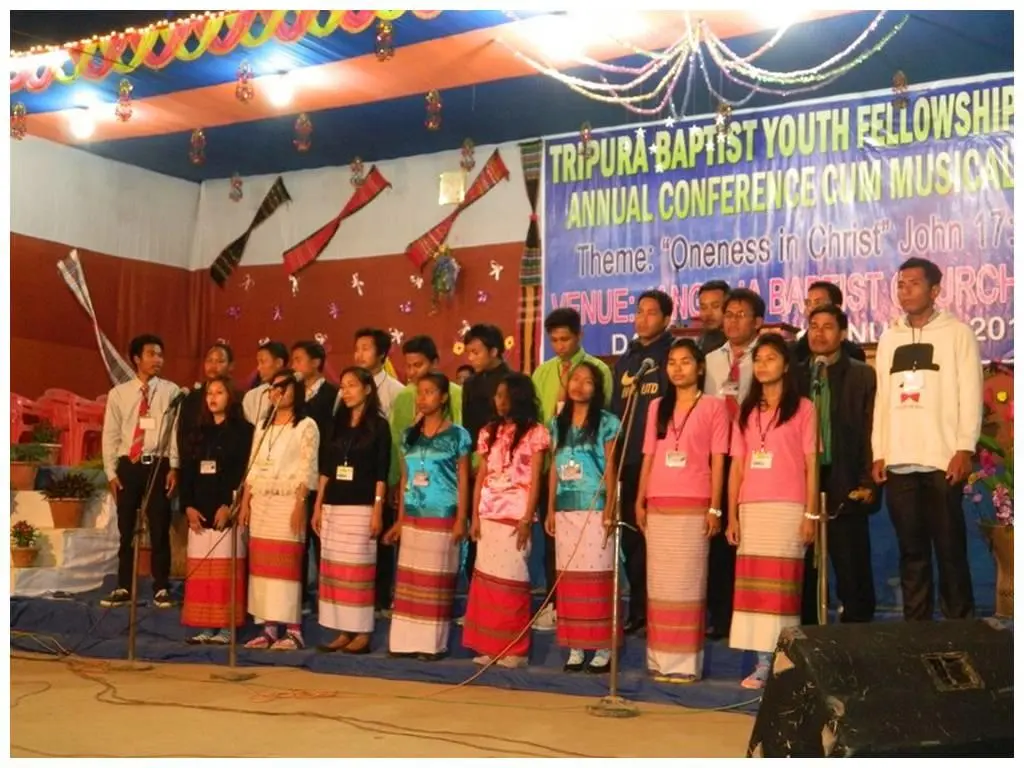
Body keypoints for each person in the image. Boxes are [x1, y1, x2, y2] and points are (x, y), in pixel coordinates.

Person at [872, 257, 981, 621]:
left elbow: (970, 393)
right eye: (901, 285)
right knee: (911, 552)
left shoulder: (958, 334)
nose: (905, 291)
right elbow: (882, 399)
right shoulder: (889, 338)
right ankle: (916, 631)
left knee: (950, 550)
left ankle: (959, 627)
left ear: (935, 291)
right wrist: (879, 452)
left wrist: (964, 448)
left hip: (942, 458)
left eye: (914, 284)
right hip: (899, 460)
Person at [726, 333, 817, 690]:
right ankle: (763, 662)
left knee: (781, 588)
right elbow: (737, 466)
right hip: (752, 507)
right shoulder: (747, 411)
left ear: (786, 364)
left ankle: (783, 661)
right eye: (758, 359)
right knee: (755, 589)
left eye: (771, 358)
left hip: (788, 507)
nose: (763, 365)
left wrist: (810, 514)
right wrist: (732, 514)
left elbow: (811, 464)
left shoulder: (803, 408)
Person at [636, 339, 729, 682]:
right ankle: (659, 661)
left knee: (688, 585)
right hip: (659, 503)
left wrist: (715, 507)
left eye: (685, 361)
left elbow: (718, 460)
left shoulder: (714, 407)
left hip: (694, 503)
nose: (677, 368)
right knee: (660, 586)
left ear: (700, 367)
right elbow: (649, 455)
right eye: (672, 362)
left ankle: (685, 665)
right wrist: (640, 499)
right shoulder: (657, 407)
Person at [530, 307, 612, 632]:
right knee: (554, 545)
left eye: (565, 339)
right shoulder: (542, 373)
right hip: (554, 469)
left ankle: (594, 616)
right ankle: (556, 605)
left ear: (580, 336)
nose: (560, 346)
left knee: (592, 553)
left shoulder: (598, 369)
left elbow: (603, 416)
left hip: (590, 477)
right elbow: (538, 421)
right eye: (554, 340)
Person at [797, 305, 878, 625]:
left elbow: (871, 430)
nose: (819, 333)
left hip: (845, 477)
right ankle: (808, 630)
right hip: (803, 479)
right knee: (806, 563)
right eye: (813, 326)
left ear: (843, 333)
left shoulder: (861, 375)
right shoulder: (796, 374)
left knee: (851, 560)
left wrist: (868, 481)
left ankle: (857, 629)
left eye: (827, 327)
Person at [463, 372, 550, 668]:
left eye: (505, 395)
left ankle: (515, 650)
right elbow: (481, 477)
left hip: (516, 515)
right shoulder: (488, 431)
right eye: (497, 396)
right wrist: (475, 516)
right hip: (488, 514)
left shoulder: (535, 432)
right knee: (487, 582)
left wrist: (527, 517)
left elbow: (536, 479)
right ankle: (490, 646)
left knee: (512, 582)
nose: (499, 401)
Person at [384, 372, 472, 660]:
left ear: (444, 397)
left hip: (442, 514)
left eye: (429, 392)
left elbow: (463, 478)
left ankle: (432, 644)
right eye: (419, 393)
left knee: (434, 582)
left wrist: (461, 518)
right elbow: (406, 479)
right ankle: (404, 642)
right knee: (410, 579)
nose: (422, 398)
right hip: (413, 515)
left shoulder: (457, 435)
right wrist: (400, 519)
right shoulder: (409, 436)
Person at [547, 361, 621, 673]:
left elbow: (611, 467)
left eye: (587, 380)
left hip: (595, 506)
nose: (579, 385)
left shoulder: (607, 422)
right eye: (575, 379)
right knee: (570, 579)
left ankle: (602, 646)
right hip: (565, 508)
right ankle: (576, 646)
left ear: (598, 388)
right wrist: (550, 508)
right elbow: (554, 467)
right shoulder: (557, 423)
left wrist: (610, 507)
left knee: (597, 577)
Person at [383, 335, 464, 617]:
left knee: (438, 565)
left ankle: (438, 614)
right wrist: (395, 481)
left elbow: (460, 449)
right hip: (413, 494)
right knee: (412, 563)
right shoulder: (405, 397)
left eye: (418, 365)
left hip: (444, 495)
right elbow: (399, 444)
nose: (412, 372)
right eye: (408, 366)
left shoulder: (456, 394)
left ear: (435, 363)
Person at [239, 369, 319, 650]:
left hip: (288, 501)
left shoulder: (306, 425)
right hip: (262, 500)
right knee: (262, 567)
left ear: (297, 390)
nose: (278, 391)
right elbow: (253, 464)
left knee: (286, 566)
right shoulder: (263, 425)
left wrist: (300, 504)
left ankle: (294, 630)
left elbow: (307, 468)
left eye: (284, 386)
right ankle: (269, 629)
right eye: (273, 387)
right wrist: (245, 503)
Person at [313, 367, 391, 654]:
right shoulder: (337, 423)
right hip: (334, 504)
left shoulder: (379, 426)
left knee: (357, 571)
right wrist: (318, 505)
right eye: (343, 386)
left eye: (352, 385)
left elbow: (381, 472)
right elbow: (326, 468)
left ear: (367, 389)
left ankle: (362, 631)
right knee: (336, 571)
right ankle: (344, 630)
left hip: (361, 506)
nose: (345, 392)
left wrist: (378, 508)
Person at [99, 334, 180, 609]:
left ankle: (161, 587)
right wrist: (111, 473)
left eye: (160, 355)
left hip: (158, 464)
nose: (158, 360)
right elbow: (110, 434)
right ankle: (124, 586)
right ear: (136, 358)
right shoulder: (119, 394)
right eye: (151, 354)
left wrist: (174, 467)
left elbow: (175, 433)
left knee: (159, 527)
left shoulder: (171, 391)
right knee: (126, 528)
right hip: (129, 465)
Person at [702, 287, 765, 640]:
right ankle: (721, 615)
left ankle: (753, 614)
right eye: (728, 315)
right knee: (719, 541)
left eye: (741, 315)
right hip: (717, 457)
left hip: (756, 458)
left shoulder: (767, 357)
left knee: (751, 537)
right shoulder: (711, 360)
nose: (732, 321)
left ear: (758, 322)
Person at [612, 289, 673, 635]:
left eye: (651, 312)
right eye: (639, 312)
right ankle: (637, 610)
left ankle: (659, 611)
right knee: (631, 541)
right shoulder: (628, 359)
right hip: (627, 461)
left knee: (657, 542)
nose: (643, 318)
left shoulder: (671, 356)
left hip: (659, 463)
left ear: (666, 319)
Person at [180, 377, 254, 644]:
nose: (213, 397)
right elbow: (187, 470)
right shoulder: (197, 430)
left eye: (219, 392)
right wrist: (187, 506)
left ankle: (225, 628)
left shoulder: (244, 432)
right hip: (199, 510)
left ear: (230, 397)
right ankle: (206, 626)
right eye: (209, 393)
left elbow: (243, 473)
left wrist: (230, 505)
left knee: (224, 574)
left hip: (227, 510)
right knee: (203, 574)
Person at [460, 323, 511, 589]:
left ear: (494, 351)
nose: (471, 358)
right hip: (476, 465)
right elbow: (468, 427)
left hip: (505, 468)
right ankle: (476, 591)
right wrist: (471, 461)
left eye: (476, 352)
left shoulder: (512, 381)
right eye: (469, 352)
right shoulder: (470, 384)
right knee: (475, 529)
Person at [291, 339, 340, 611]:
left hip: (323, 473)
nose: (294, 365)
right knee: (298, 536)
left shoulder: (333, 394)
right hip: (297, 475)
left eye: (298, 359)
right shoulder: (294, 394)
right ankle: (298, 596)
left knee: (321, 536)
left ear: (316, 362)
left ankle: (325, 595)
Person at [177, 342, 237, 467]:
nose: (213, 365)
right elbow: (182, 434)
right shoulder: (191, 398)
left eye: (220, 361)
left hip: (226, 466)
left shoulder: (238, 398)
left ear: (231, 366)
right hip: (193, 466)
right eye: (209, 360)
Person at [792, 281, 866, 365]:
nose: (811, 308)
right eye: (808, 303)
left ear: (836, 307)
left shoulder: (853, 353)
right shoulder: (794, 352)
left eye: (817, 303)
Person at [354, 327, 405, 417]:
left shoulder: (397, 391)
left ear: (382, 353)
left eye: (365, 349)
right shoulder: (347, 388)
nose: (359, 355)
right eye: (357, 349)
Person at [243, 341, 288, 426]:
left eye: (263, 362)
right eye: (258, 362)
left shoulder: (292, 393)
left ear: (279, 363)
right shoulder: (252, 396)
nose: (258, 368)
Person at [696, 280, 730, 355]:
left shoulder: (736, 343)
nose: (708, 314)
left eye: (715, 306)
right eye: (703, 307)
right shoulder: (698, 345)